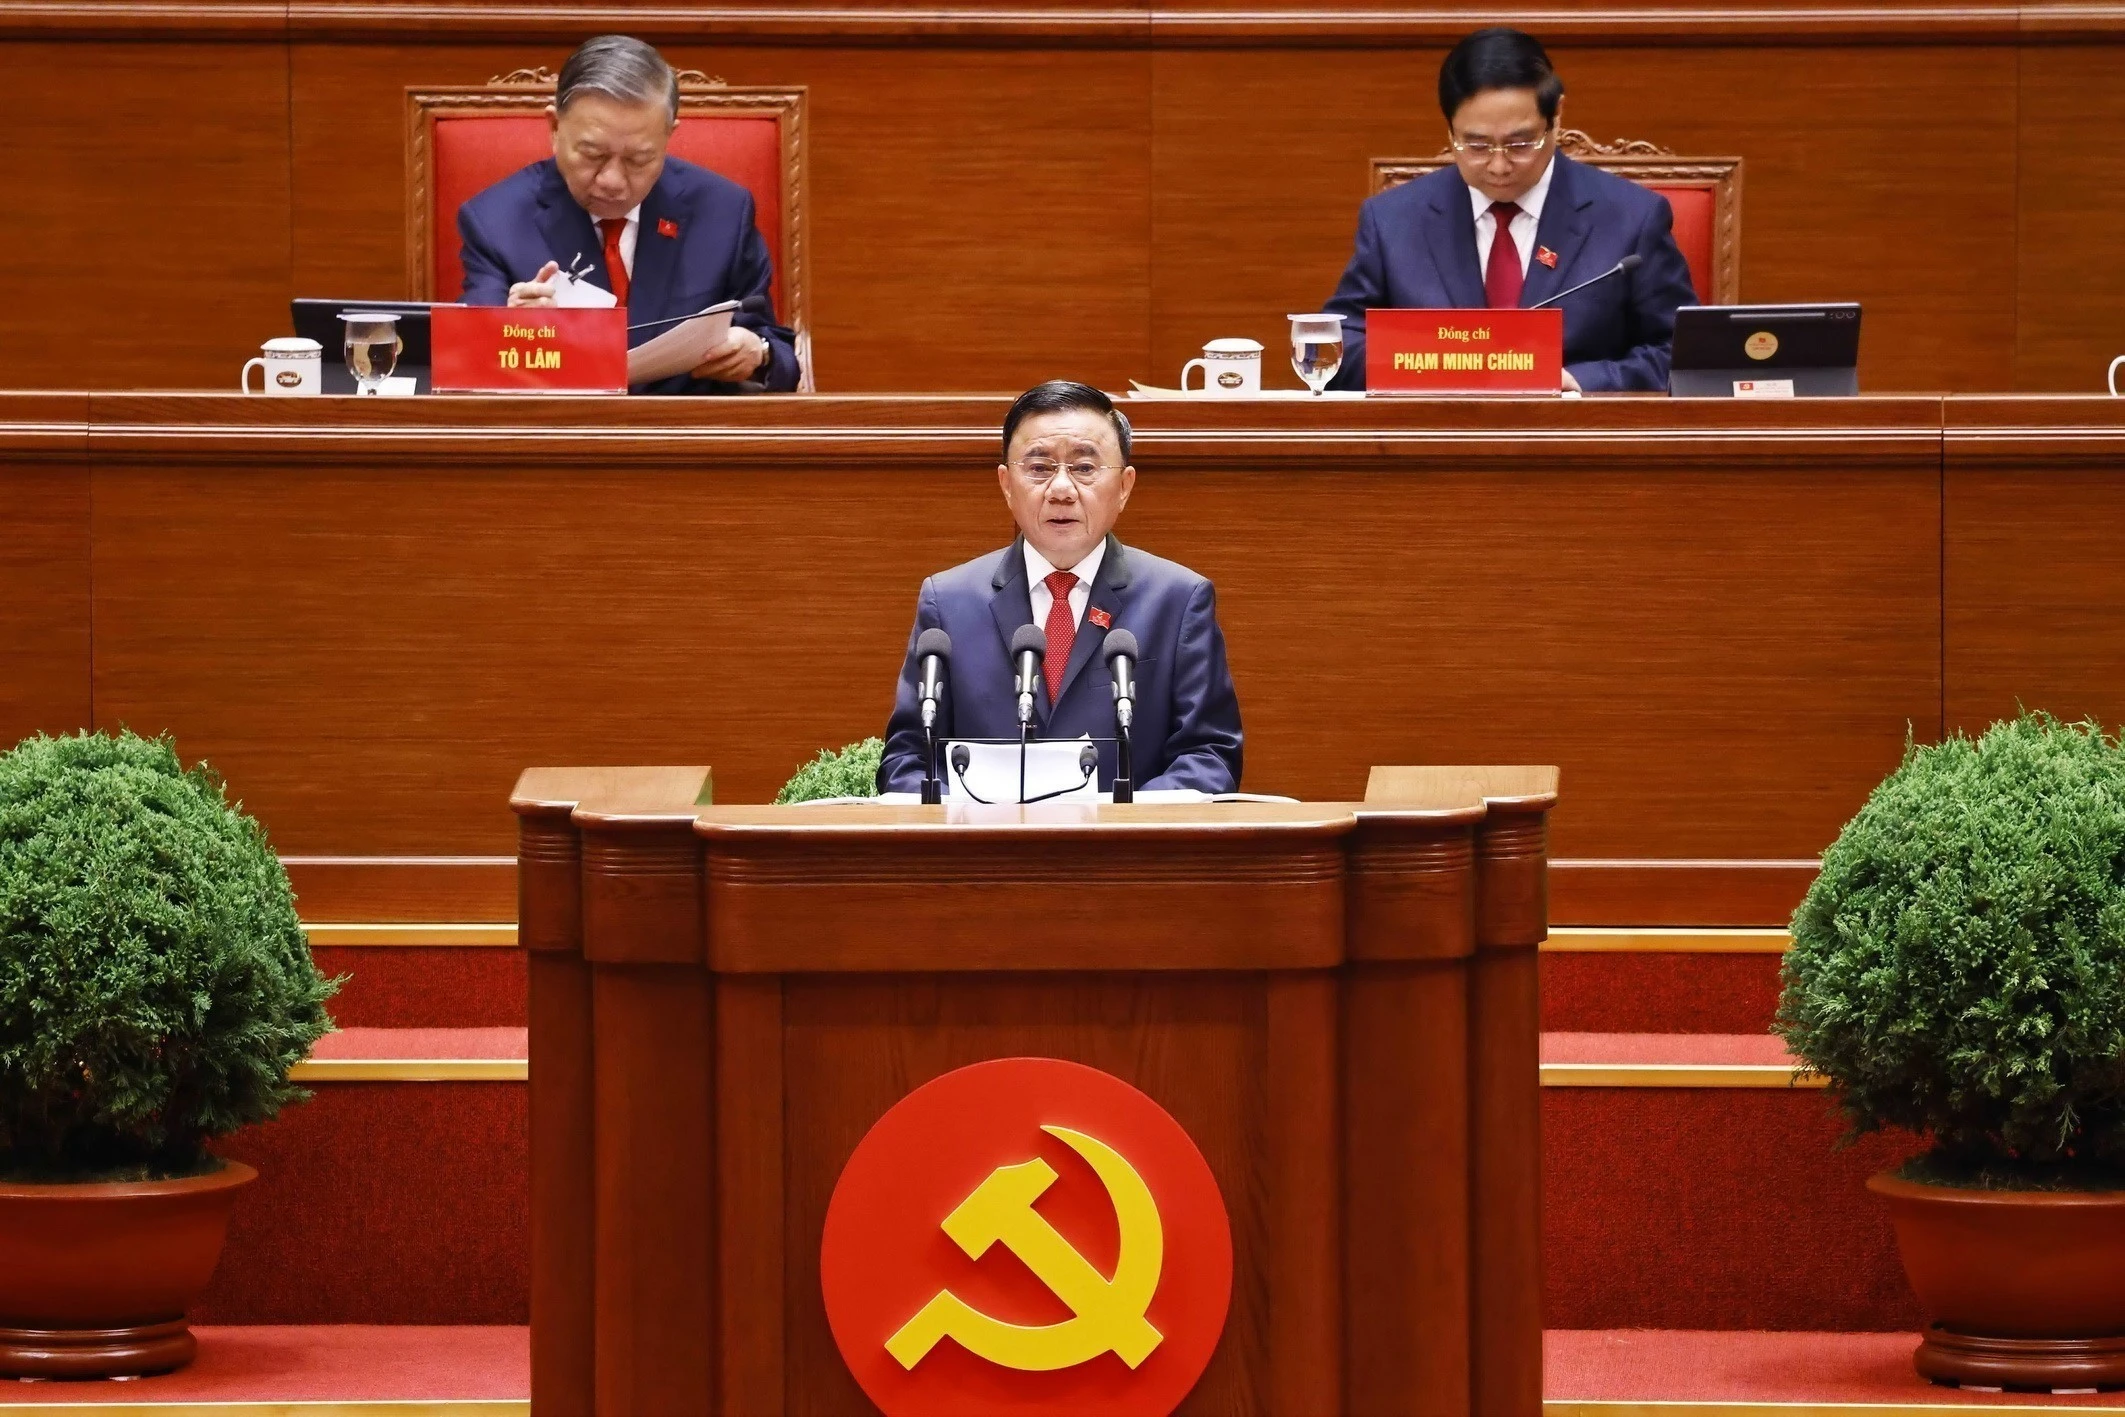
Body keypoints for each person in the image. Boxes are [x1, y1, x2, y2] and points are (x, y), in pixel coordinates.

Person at [878, 381, 1243, 796]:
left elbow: (1209, 755)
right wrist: (973, 821)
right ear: (1006, 484)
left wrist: (1121, 823)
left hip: (1124, 856)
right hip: (987, 855)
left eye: (1085, 468)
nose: (1062, 490)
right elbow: (907, 760)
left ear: (1124, 486)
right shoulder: (949, 601)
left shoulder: (1177, 600)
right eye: (1039, 468)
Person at [1322, 27, 1697, 393]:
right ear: (1449, 129)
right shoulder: (1393, 221)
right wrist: (1432, 363)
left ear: (1556, 117)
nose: (1499, 166)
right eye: (1476, 145)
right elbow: (1337, 347)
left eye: (1520, 144)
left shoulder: (1631, 218)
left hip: (1572, 442)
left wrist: (1585, 381)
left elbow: (1684, 355)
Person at [455, 34, 800, 394]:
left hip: (686, 438)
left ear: (669, 135)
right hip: (560, 436)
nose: (613, 182)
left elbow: (778, 352)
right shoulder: (494, 222)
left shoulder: (724, 211)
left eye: (639, 159)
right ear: (555, 129)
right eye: (592, 154)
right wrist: (512, 332)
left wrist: (757, 354)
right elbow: (470, 366)